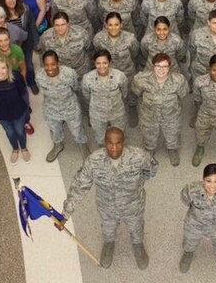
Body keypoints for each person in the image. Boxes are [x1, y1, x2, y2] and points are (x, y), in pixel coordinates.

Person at [58, 127, 158, 269]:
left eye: (118, 143)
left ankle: (137, 245)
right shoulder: (93, 161)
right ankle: (109, 244)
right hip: (107, 208)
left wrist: (140, 183)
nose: (114, 148)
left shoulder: (139, 156)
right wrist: (65, 214)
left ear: (124, 143)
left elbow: (152, 169)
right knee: (108, 229)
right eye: (110, 143)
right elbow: (79, 186)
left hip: (133, 206)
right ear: (104, 143)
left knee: (136, 228)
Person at [179, 163, 216, 274]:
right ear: (203, 180)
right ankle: (188, 253)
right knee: (190, 241)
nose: (212, 186)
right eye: (208, 181)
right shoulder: (191, 190)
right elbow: (185, 201)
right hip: (195, 224)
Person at [132, 52, 189, 165]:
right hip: (149, 116)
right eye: (158, 66)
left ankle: (172, 149)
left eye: (164, 66)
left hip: (171, 116)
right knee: (149, 134)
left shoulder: (178, 80)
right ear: (153, 66)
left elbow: (183, 94)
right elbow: (137, 92)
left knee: (172, 134)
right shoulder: (141, 79)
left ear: (169, 67)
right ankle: (150, 148)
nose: (161, 69)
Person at [36, 50, 90, 161]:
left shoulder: (69, 74)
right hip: (51, 109)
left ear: (58, 63)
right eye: (46, 65)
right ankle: (58, 144)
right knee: (54, 130)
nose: (50, 68)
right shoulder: (39, 76)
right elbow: (42, 91)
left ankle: (82, 144)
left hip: (70, 108)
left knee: (77, 129)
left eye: (53, 64)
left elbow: (75, 87)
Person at [93, 12, 140, 125]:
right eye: (110, 25)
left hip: (127, 70)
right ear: (106, 25)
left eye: (116, 24)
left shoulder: (130, 38)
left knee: (130, 91)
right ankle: (110, 114)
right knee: (108, 93)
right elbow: (97, 52)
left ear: (121, 25)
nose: (113, 28)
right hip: (107, 72)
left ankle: (132, 108)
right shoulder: (99, 38)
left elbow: (134, 53)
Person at [0, 55, 31, 164]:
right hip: (1, 113)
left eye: (3, 68)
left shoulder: (16, 76)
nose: (0, 72)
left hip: (18, 110)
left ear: (8, 68)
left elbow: (22, 90)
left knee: (20, 131)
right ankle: (15, 149)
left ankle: (23, 148)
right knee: (9, 132)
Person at [0, 0, 39, 93]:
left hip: (26, 42)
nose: (11, 0)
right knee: (14, 66)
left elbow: (32, 25)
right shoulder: (1, 15)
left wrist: (36, 41)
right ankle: (17, 85)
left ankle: (31, 82)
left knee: (29, 65)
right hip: (10, 46)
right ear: (3, 1)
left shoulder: (25, 8)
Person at [81, 50, 128, 144]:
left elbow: (124, 92)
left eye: (105, 63)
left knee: (119, 134)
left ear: (110, 63)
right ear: (94, 63)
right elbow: (86, 95)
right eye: (98, 63)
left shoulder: (119, 76)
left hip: (117, 112)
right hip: (97, 114)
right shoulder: (87, 78)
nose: (101, 66)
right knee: (100, 136)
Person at [38, 12, 93, 77]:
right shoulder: (46, 37)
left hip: (81, 71)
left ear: (68, 24)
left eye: (63, 24)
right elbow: (43, 55)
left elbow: (90, 49)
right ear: (53, 25)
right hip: (62, 74)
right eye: (57, 25)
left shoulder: (80, 33)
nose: (60, 28)